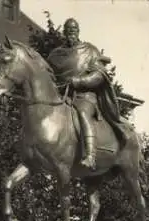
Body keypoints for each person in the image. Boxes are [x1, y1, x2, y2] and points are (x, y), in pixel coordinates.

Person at [48, 18, 127, 172]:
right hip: (61, 97)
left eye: (74, 29)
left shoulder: (90, 50)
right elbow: (48, 75)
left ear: (78, 31)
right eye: (68, 30)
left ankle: (90, 156)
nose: (71, 32)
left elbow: (99, 75)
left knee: (82, 112)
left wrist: (79, 81)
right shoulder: (55, 55)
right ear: (64, 32)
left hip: (85, 97)